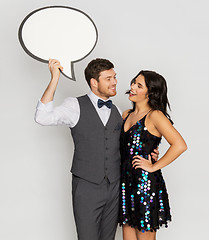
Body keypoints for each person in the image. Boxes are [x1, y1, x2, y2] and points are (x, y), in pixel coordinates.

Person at [34, 59, 159, 240]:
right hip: (86, 186)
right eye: (108, 78)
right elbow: (42, 117)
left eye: (114, 77)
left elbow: (126, 145)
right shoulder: (74, 106)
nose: (115, 82)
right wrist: (55, 79)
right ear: (94, 82)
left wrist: (149, 153)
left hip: (115, 186)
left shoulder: (118, 111)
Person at [118, 70, 187, 240]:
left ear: (150, 93)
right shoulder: (126, 114)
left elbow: (180, 145)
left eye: (139, 85)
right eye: (134, 82)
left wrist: (154, 165)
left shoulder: (155, 116)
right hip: (125, 183)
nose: (132, 87)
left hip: (145, 185)